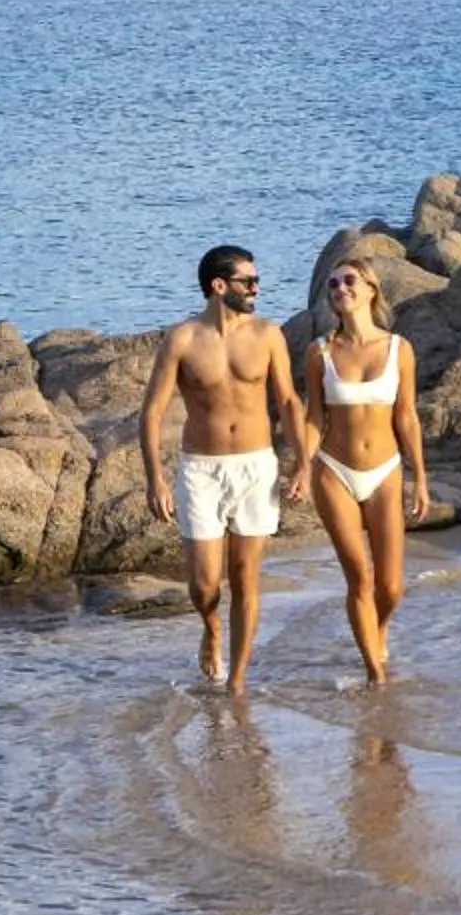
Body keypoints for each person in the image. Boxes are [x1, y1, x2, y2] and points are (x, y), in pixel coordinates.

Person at [139, 244, 303, 696]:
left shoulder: (268, 335)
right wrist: (155, 476)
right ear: (218, 286)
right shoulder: (183, 339)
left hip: (256, 466)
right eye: (248, 282)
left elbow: (288, 401)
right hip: (201, 470)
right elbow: (152, 412)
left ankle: (237, 680)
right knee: (204, 584)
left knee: (247, 577)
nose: (256, 289)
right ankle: (211, 627)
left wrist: (303, 461)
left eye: (256, 280)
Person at [297, 257, 428, 685]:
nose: (340, 288)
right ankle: (376, 673)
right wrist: (301, 466)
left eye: (349, 280)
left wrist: (420, 477)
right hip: (334, 470)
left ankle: (378, 629)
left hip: (386, 471)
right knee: (360, 577)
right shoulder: (319, 353)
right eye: (333, 283)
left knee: (390, 588)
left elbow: (406, 416)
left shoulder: (399, 349)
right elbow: (314, 417)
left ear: (371, 289)